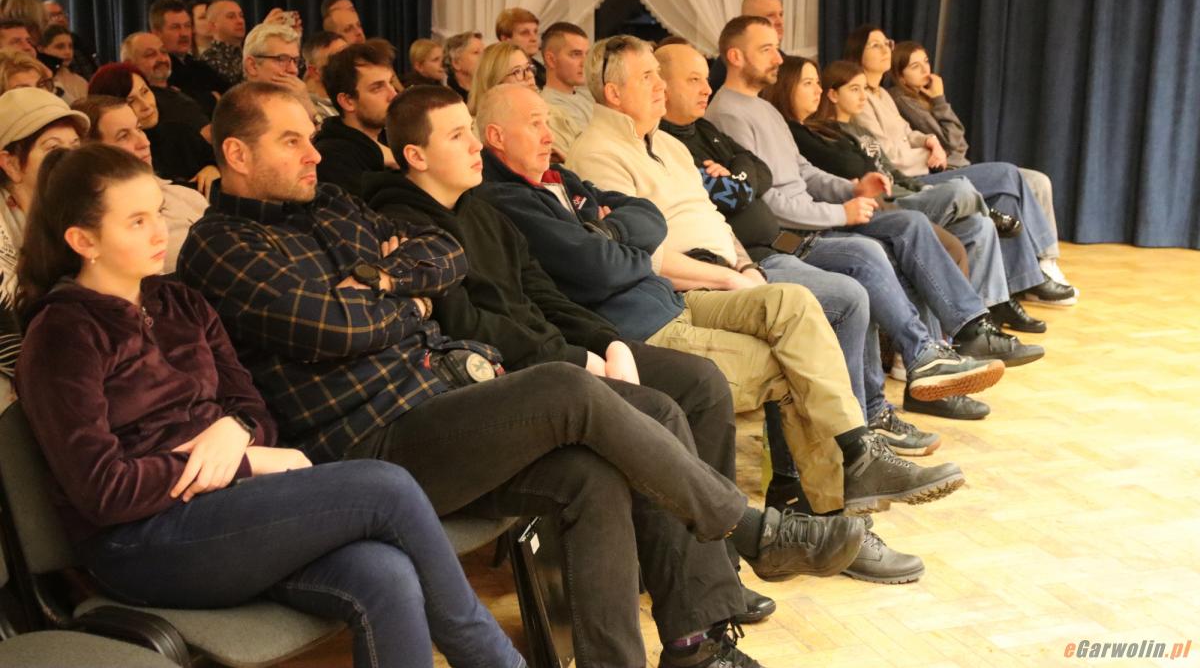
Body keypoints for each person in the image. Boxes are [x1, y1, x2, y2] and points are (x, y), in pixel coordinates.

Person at [177, 80, 868, 668]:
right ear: (236, 154)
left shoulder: (331, 204)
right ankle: (745, 527)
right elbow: (334, 328)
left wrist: (382, 282)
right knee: (567, 388)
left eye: (310, 136)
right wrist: (405, 301)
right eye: (291, 141)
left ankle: (678, 646)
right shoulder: (221, 245)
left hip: (440, 399)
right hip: (367, 443)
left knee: (593, 473)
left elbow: (441, 254)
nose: (313, 152)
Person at [15, 142, 527, 668]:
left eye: (158, 213)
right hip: (140, 541)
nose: (159, 233)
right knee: (386, 488)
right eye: (136, 221)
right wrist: (243, 461)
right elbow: (103, 491)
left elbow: (255, 411)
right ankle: (497, 662)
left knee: (384, 574)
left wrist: (235, 429)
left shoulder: (180, 301)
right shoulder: (61, 334)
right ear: (83, 240)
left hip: (233, 511)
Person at [364, 83, 778, 624]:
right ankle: (706, 595)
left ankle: (715, 564)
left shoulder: (482, 209)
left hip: (559, 353)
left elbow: (544, 294)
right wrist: (578, 358)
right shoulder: (406, 229)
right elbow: (465, 326)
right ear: (416, 156)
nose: (474, 146)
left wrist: (606, 342)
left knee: (700, 382)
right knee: (657, 411)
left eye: (472, 131)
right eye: (458, 135)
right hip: (504, 379)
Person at [566, 35, 969, 514]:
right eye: (648, 77)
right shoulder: (597, 153)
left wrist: (744, 266)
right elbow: (641, 255)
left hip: (730, 269)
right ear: (614, 92)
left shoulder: (669, 145)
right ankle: (828, 477)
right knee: (819, 304)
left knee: (810, 304)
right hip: (684, 286)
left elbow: (717, 219)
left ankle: (845, 471)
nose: (660, 87)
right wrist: (729, 278)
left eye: (659, 75)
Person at [657, 41, 1007, 426]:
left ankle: (932, 353)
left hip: (789, 237)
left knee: (898, 241)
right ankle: (881, 405)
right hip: (772, 245)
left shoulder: (713, 125)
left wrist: (850, 189)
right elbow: (744, 193)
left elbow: (763, 172)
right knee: (878, 261)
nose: (706, 88)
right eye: (694, 80)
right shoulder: (716, 118)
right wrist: (837, 208)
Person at [705, 17, 1043, 370]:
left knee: (912, 224)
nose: (778, 57)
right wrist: (841, 213)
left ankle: (968, 331)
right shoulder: (728, 114)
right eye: (766, 50)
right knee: (892, 245)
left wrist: (852, 187)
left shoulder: (763, 107)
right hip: (793, 233)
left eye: (776, 48)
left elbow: (803, 171)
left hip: (815, 217)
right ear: (736, 56)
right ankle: (928, 355)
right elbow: (767, 202)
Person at [788, 58, 1048, 335]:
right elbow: (848, 173)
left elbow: (931, 152)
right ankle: (993, 225)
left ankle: (985, 315)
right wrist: (919, 159)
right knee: (966, 186)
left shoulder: (855, 130)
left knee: (979, 225)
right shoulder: (813, 133)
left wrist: (930, 135)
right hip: (885, 201)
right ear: (833, 94)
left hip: (907, 187)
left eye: (864, 89)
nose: (863, 96)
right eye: (854, 89)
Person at [844, 25, 1076, 306]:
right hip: (915, 179)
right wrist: (931, 151)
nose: (885, 50)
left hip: (933, 169)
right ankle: (1043, 262)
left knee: (1007, 197)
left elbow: (912, 134)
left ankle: (1021, 284)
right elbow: (890, 156)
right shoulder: (865, 100)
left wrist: (929, 140)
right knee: (1008, 173)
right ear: (858, 54)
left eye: (887, 43)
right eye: (875, 45)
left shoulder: (881, 95)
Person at [0, 87, 86, 414]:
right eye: (52, 148)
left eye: (75, 146)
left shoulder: (89, 212)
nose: (70, 159)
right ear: (10, 163)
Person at [71, 95, 208, 273]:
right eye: (123, 136)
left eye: (139, 129)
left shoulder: (184, 195)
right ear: (93, 152)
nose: (144, 142)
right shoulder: (104, 225)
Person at [87, 63, 219, 196]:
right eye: (131, 101)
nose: (146, 105)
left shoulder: (180, 132)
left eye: (145, 91)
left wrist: (214, 168)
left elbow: (217, 159)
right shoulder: (125, 157)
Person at [314, 41, 401, 197]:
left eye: (391, 82)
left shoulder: (394, 138)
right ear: (348, 101)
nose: (393, 94)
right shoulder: (330, 159)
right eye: (377, 88)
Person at [121, 31, 212, 137]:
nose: (162, 59)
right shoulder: (147, 106)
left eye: (163, 52)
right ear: (129, 64)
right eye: (150, 54)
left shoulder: (179, 89)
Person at [149, 0, 229, 117]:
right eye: (175, 27)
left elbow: (229, 96)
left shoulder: (199, 66)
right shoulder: (157, 70)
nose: (184, 33)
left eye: (187, 26)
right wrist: (212, 98)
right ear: (156, 33)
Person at [539, 21, 595, 155]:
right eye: (575, 54)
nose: (585, 62)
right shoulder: (547, 109)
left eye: (587, 54)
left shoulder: (589, 96)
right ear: (551, 60)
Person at [302, 30, 348, 124]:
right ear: (315, 72)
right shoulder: (308, 112)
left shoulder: (361, 100)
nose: (348, 64)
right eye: (337, 60)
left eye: (349, 55)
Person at [200, 0, 248, 85]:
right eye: (231, 17)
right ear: (213, 25)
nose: (240, 21)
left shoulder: (246, 52)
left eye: (241, 16)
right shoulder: (209, 59)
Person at [496, 7, 545, 88]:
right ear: (505, 39)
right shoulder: (500, 74)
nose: (534, 38)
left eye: (535, 32)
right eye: (525, 33)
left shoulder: (541, 70)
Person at [38, 24, 88, 102]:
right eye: (60, 47)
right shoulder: (38, 80)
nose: (68, 52)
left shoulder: (81, 81)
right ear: (41, 49)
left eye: (70, 46)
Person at [443, 30, 483, 101]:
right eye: (476, 52)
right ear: (456, 63)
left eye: (484, 52)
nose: (484, 56)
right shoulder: (445, 100)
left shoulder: (490, 92)